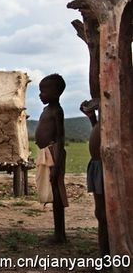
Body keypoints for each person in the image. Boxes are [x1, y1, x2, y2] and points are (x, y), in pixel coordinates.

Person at [35, 73, 68, 243]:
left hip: (54, 153)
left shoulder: (57, 111)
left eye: (44, 91)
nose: (40, 95)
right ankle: (58, 233)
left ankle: (59, 235)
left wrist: (57, 164)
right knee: (52, 192)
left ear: (56, 92)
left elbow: (61, 137)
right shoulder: (46, 110)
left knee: (57, 194)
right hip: (46, 153)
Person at [80, 100, 110, 256]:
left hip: (111, 169)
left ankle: (114, 254)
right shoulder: (105, 113)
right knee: (101, 213)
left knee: (107, 214)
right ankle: (105, 255)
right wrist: (92, 117)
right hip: (98, 165)